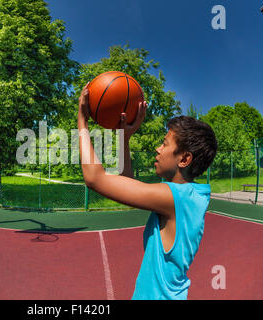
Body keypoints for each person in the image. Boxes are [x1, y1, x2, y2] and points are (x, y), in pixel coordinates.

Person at [77, 83, 218, 300]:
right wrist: (124, 137)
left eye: (164, 144)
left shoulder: (174, 197)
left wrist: (82, 121)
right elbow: (128, 187)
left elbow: (95, 179)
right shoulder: (190, 196)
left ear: (184, 159)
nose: (157, 149)